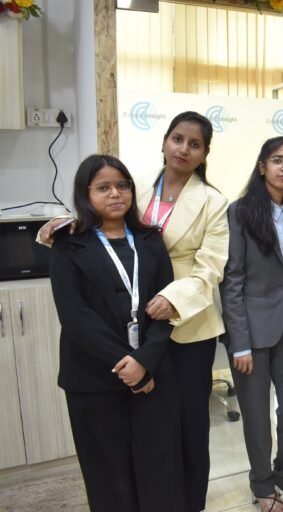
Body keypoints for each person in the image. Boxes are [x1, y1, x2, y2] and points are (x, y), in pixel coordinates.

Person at [39, 111, 229, 512]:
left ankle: (188, 503)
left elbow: (211, 267)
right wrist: (63, 224)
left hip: (185, 321)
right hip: (132, 325)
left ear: (204, 153)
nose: (183, 149)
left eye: (194, 144)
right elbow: (99, 219)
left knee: (188, 429)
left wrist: (174, 298)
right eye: (177, 139)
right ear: (164, 141)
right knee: (145, 436)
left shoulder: (213, 201)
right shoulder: (133, 183)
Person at [49, 154, 183, 511]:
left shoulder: (150, 240)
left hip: (153, 374)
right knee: (108, 476)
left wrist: (145, 362)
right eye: (103, 187)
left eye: (122, 186)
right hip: (93, 377)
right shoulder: (68, 245)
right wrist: (129, 365)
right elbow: (76, 317)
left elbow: (166, 307)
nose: (115, 194)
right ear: (85, 194)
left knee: (158, 469)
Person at [219, 136, 283, 512]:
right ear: (262, 166)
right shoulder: (240, 212)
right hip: (250, 330)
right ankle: (262, 485)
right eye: (277, 160)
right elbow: (232, 279)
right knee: (256, 416)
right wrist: (239, 342)